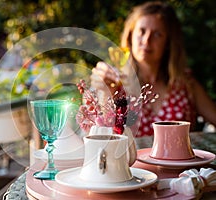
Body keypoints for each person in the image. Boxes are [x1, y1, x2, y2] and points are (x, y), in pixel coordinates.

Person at [91, 1, 216, 137]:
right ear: (131, 36)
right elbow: (99, 139)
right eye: (141, 31)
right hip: (132, 159)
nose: (146, 40)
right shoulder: (114, 81)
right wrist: (105, 94)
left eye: (157, 34)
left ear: (168, 43)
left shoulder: (185, 83)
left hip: (180, 158)